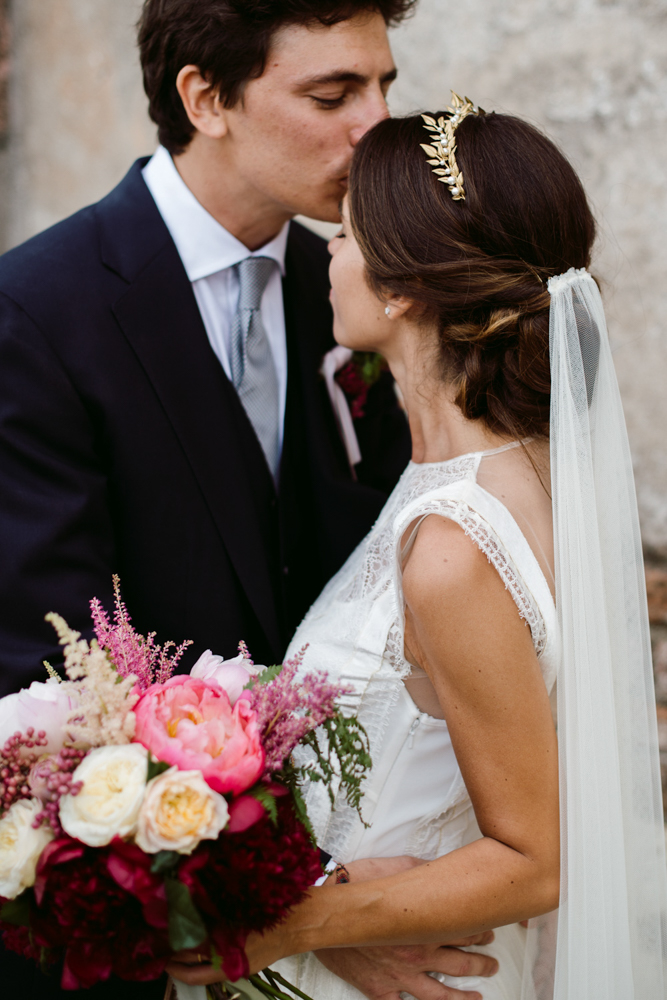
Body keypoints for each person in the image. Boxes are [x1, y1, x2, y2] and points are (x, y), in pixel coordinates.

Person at [0, 4, 498, 999]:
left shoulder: (358, 289)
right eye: (333, 94)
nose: (376, 128)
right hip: (131, 945)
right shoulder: (38, 311)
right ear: (205, 98)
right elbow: (43, 683)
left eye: (385, 86)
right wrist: (302, 912)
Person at [168, 99, 667, 999]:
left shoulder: (455, 546)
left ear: (401, 288)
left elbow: (533, 860)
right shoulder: (509, 472)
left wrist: (283, 924)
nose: (328, 254)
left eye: (347, 235)